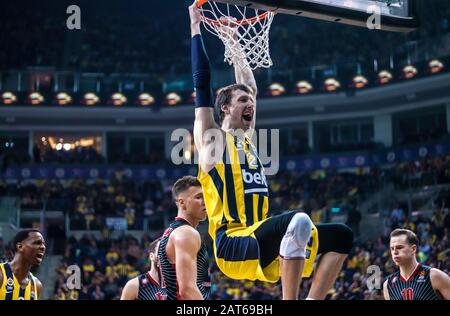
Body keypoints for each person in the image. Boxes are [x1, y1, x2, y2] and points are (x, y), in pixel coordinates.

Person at [189, 2, 353, 300]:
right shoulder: (212, 142)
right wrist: (195, 27)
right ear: (225, 107)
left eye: (250, 101)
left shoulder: (248, 141)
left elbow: (250, 85)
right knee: (299, 220)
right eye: (241, 101)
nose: (249, 103)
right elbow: (202, 83)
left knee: (341, 236)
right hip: (232, 243)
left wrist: (233, 40)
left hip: (260, 237)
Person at [157, 176, 210, 300]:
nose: (205, 202)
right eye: (198, 197)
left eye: (206, 196)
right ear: (181, 202)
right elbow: (187, 290)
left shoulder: (170, 232)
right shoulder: (187, 234)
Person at [383, 228, 450, 300]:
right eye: (392, 248)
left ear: (413, 249)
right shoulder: (387, 285)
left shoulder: (435, 276)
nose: (394, 252)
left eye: (399, 247)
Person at [0, 229, 45, 300]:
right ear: (20, 247)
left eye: (43, 244)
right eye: (37, 243)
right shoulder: (1, 274)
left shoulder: (37, 285)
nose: (43, 247)